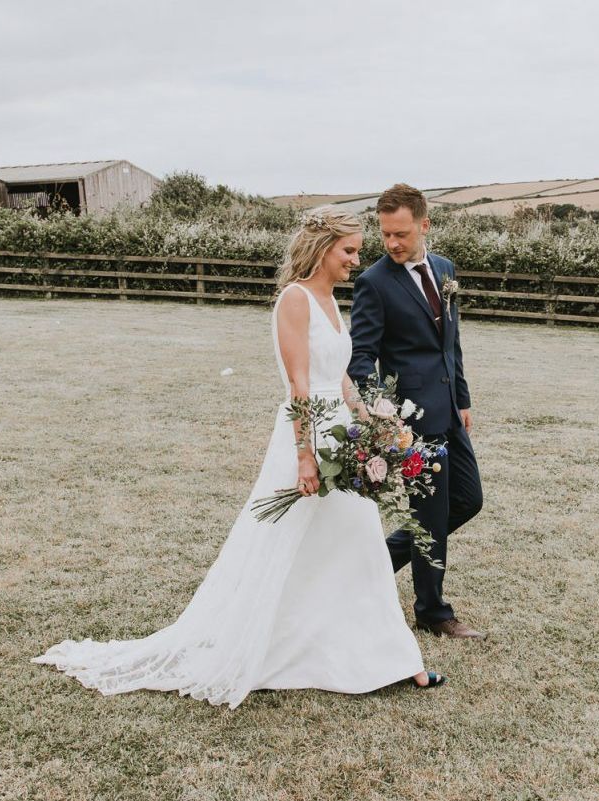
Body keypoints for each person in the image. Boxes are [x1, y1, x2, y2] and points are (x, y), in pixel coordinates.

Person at [30, 206, 444, 710]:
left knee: (360, 548)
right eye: (349, 251)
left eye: (357, 251)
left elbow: (341, 379)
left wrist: (376, 424)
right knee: (281, 547)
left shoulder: (334, 302)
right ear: (322, 248)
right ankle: (266, 646)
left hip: (346, 439)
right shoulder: (294, 301)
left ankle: (397, 660)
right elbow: (298, 385)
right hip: (309, 438)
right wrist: (305, 457)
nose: (357, 261)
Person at [348, 184, 485, 639]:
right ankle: (433, 611)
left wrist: (461, 399)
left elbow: (453, 344)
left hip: (448, 410)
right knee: (428, 515)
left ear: (424, 225)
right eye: (385, 234)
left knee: (468, 500)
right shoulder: (374, 282)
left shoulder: (445, 270)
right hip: (407, 422)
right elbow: (361, 358)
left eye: (401, 234)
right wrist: (383, 413)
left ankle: (367, 569)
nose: (392, 243)